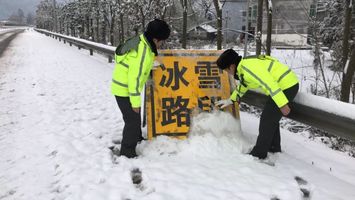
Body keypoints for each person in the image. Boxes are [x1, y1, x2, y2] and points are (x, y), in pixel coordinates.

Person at [215, 49, 299, 159]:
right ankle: (273, 147)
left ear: (231, 66)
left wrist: (282, 104)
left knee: (267, 118)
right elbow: (244, 85)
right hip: (284, 84)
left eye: (226, 70)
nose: (228, 73)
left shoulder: (248, 68)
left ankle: (259, 154)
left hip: (286, 85)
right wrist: (232, 99)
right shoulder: (243, 68)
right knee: (271, 116)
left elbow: (269, 83)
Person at [111, 19, 170, 158]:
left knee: (134, 117)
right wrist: (135, 102)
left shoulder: (141, 41)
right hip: (124, 89)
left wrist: (150, 66)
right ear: (156, 39)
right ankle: (127, 152)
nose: (161, 44)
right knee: (132, 120)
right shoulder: (143, 50)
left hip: (123, 86)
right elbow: (135, 78)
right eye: (161, 41)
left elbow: (139, 64)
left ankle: (136, 138)